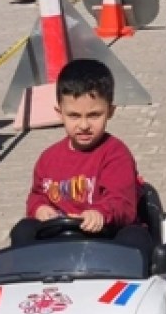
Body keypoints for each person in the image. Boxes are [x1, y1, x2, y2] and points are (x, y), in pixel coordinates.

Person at [9, 59, 154, 264]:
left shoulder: (116, 154)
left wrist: (100, 214)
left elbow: (122, 202)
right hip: (60, 239)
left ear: (110, 112)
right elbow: (37, 195)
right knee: (23, 230)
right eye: (74, 116)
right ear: (60, 114)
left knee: (135, 238)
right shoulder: (48, 158)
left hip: (105, 238)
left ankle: (123, 288)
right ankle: (26, 283)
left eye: (94, 115)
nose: (84, 125)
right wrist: (39, 209)